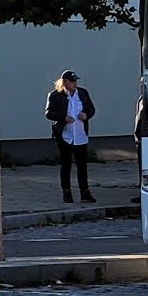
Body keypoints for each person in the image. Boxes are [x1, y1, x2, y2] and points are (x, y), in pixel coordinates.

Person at [45, 69, 97, 203]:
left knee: (82, 165)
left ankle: (85, 192)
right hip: (65, 135)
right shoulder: (55, 95)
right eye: (72, 81)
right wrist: (63, 118)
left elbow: (91, 109)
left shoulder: (83, 93)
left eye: (76, 81)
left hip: (80, 135)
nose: (75, 83)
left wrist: (86, 115)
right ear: (65, 82)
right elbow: (49, 113)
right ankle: (66, 192)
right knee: (66, 164)